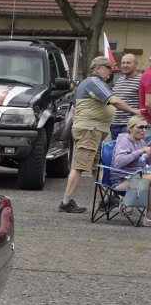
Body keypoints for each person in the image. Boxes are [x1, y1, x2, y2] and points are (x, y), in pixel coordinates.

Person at [61, 55, 137, 214]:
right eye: (108, 67)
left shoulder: (88, 83)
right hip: (90, 130)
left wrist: (77, 125)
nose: (111, 70)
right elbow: (114, 101)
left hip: (91, 130)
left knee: (96, 166)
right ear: (98, 68)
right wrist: (133, 111)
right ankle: (66, 202)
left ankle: (105, 199)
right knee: (80, 166)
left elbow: (74, 108)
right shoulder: (94, 82)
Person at [109, 115, 151, 182]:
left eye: (146, 127)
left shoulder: (141, 141)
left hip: (137, 175)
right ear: (130, 128)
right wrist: (140, 151)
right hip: (121, 178)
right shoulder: (124, 141)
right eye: (141, 127)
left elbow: (148, 162)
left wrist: (149, 153)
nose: (144, 130)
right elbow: (118, 162)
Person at [110, 52, 140, 139]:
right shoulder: (119, 80)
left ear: (135, 65)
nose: (125, 65)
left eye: (128, 63)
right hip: (115, 124)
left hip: (130, 124)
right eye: (123, 63)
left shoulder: (141, 79)